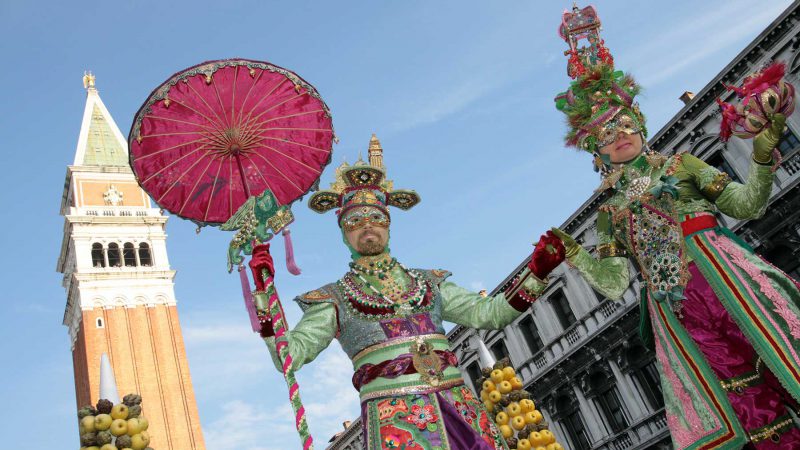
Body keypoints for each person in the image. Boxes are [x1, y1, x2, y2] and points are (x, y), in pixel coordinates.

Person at [549, 5, 800, 449]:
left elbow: (748, 204)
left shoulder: (682, 163)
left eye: (626, 124)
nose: (620, 134)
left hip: (727, 281)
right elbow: (613, 283)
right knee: (746, 403)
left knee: (785, 363)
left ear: (641, 126)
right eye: (607, 134)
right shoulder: (609, 214)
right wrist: (576, 255)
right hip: (677, 312)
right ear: (596, 151)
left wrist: (761, 158)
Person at [249, 142, 565, 449]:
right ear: (344, 234)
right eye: (354, 222)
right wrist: (264, 297)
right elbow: (288, 357)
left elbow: (491, 314)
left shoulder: (430, 283)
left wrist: (535, 274)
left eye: (375, 218)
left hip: (463, 418)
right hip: (397, 429)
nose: (366, 226)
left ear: (388, 224)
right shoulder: (333, 298)